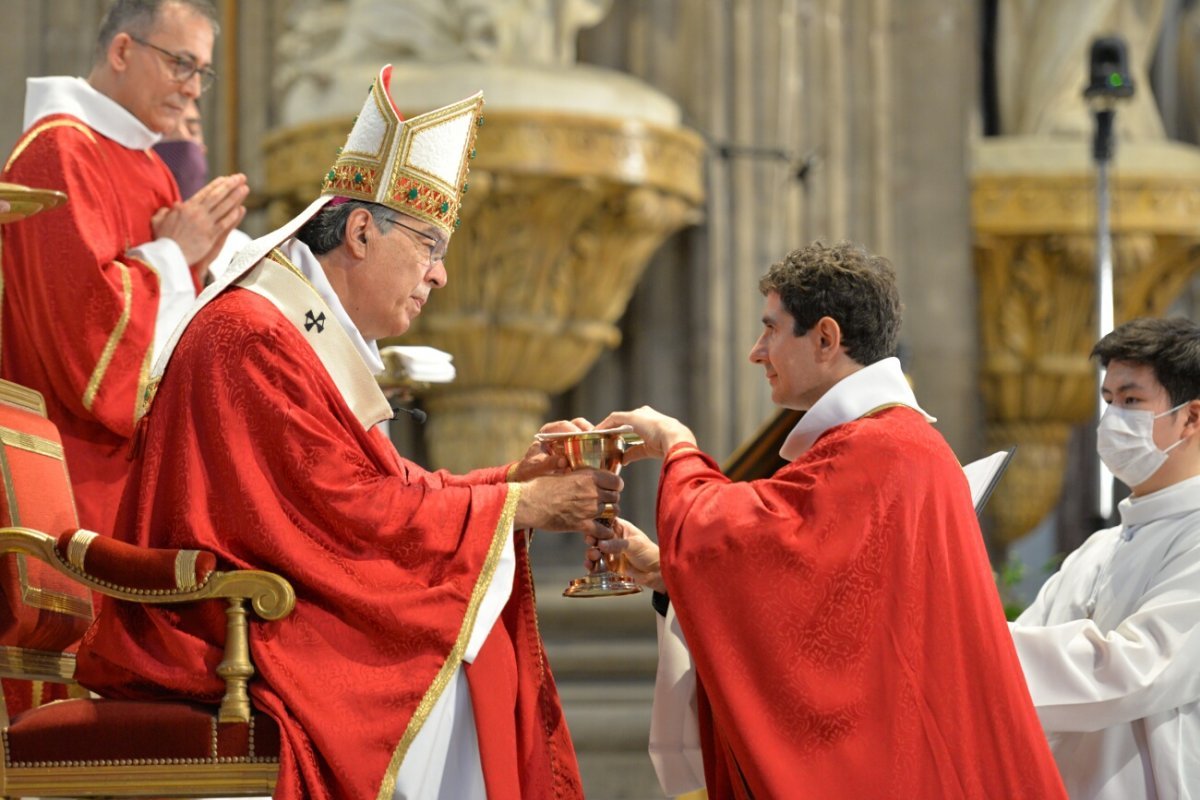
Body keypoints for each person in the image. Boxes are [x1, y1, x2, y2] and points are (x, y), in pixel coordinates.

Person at [75, 65, 613, 800]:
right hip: (220, 636)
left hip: (265, 611)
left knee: (472, 653)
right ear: (360, 229)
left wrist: (506, 482)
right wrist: (518, 509)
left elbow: (369, 492)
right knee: (458, 669)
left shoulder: (290, 328)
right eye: (430, 246)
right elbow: (341, 513)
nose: (440, 277)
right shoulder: (252, 336)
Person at [590, 241, 1066, 798]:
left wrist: (676, 444)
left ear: (825, 339)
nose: (755, 351)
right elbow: (818, 608)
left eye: (771, 329)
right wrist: (666, 572)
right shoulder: (895, 443)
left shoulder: (879, 449)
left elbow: (722, 532)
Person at [0, 0, 248, 532]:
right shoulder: (60, 151)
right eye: (181, 64)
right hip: (77, 473)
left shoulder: (150, 167)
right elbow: (91, 343)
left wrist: (205, 266)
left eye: (202, 73)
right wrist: (175, 257)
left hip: (138, 469)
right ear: (121, 51)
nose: (192, 88)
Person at [1009, 316, 1200, 798]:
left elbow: (1138, 670)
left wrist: (973, 644)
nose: (1114, 419)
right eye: (1109, 401)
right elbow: (1021, 647)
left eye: (1132, 401)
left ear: (1192, 418)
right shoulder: (1100, 548)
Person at [153, 97, 253, 281]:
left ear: (203, 148)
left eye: (193, 129)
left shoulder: (239, 247)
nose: (182, 137)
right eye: (166, 130)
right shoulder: (123, 235)